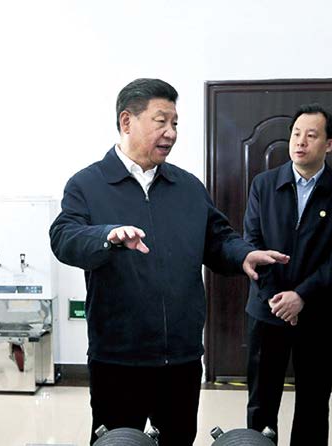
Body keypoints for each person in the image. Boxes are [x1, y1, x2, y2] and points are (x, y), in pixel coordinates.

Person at [49, 78, 288, 446]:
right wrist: (107, 236)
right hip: (118, 359)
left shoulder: (187, 187)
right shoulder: (88, 184)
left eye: (175, 123)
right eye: (161, 121)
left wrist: (243, 254)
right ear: (127, 121)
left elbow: (218, 239)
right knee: (120, 442)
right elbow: (64, 237)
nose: (171, 133)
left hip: (181, 358)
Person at [243, 104, 332, 445]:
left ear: (329, 144)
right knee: (261, 401)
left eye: (311, 135)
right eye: (296, 133)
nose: (300, 142)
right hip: (267, 310)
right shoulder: (264, 184)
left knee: (313, 402)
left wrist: (301, 297)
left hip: (317, 314)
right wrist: (278, 299)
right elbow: (253, 244)